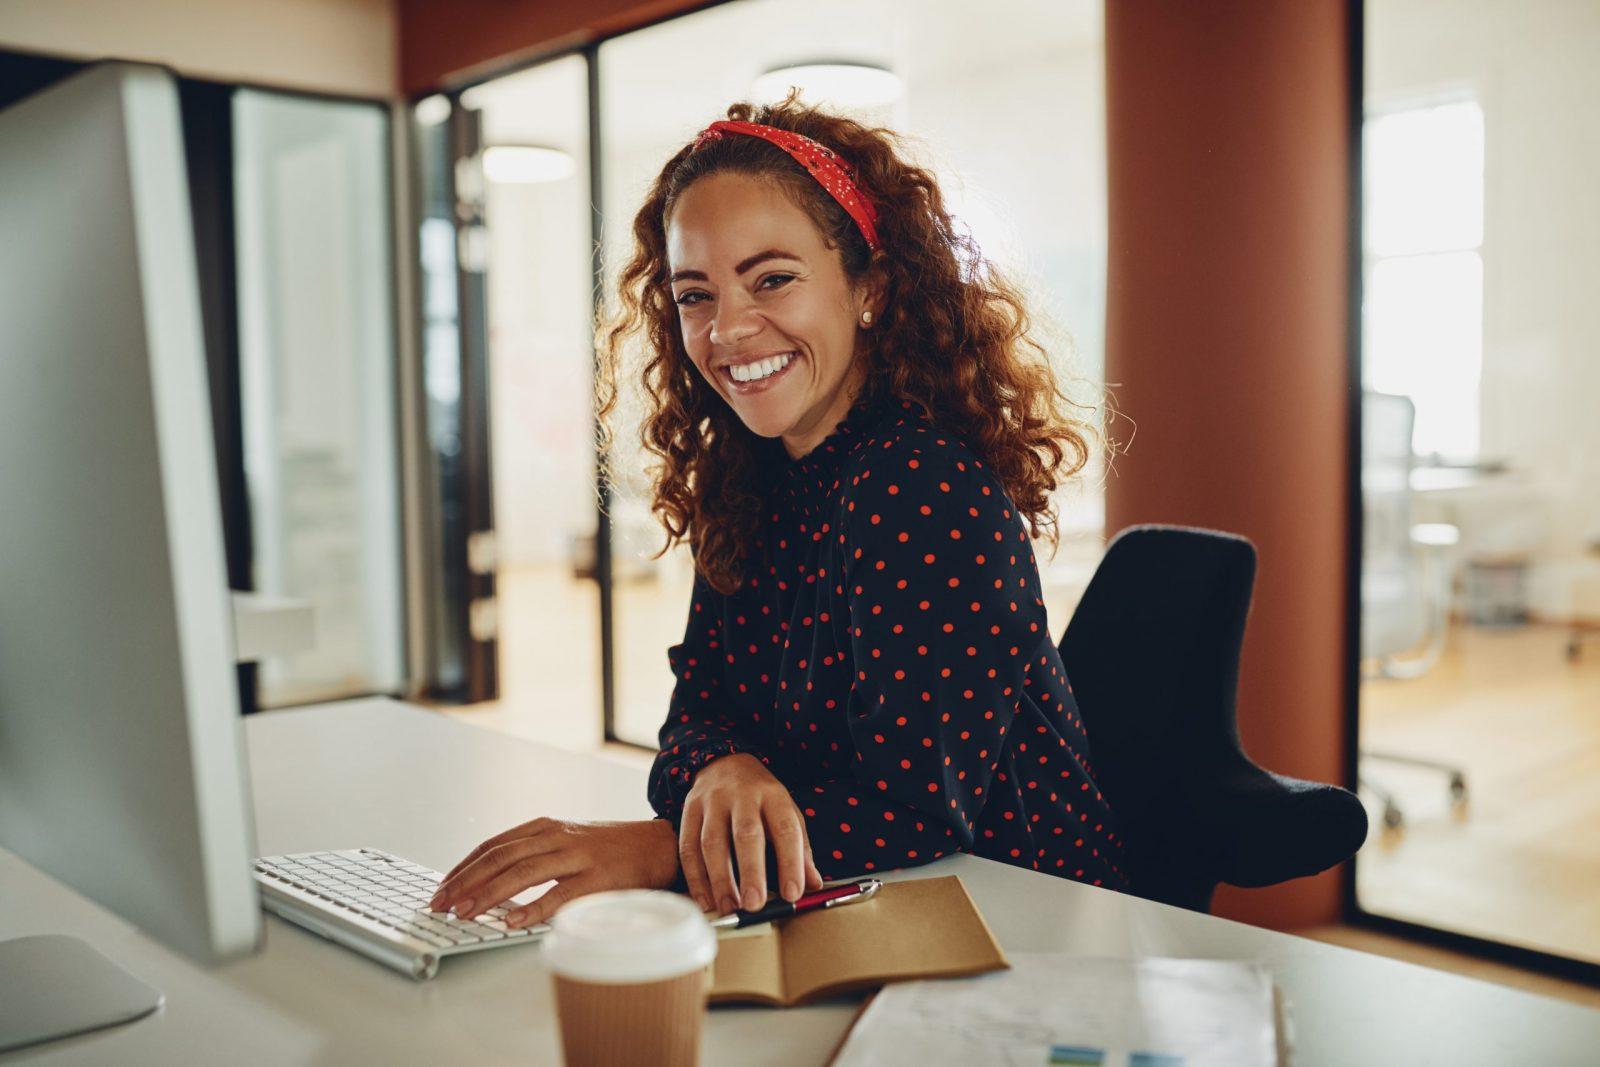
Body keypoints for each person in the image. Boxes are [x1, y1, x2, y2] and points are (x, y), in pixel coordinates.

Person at [430, 92, 1126, 929]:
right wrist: (723, 765)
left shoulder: (924, 484)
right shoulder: (752, 472)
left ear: (869, 288)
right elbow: (696, 709)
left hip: (1017, 917)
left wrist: (655, 848)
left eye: (773, 280)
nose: (728, 330)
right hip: (850, 902)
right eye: (695, 295)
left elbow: (915, 809)